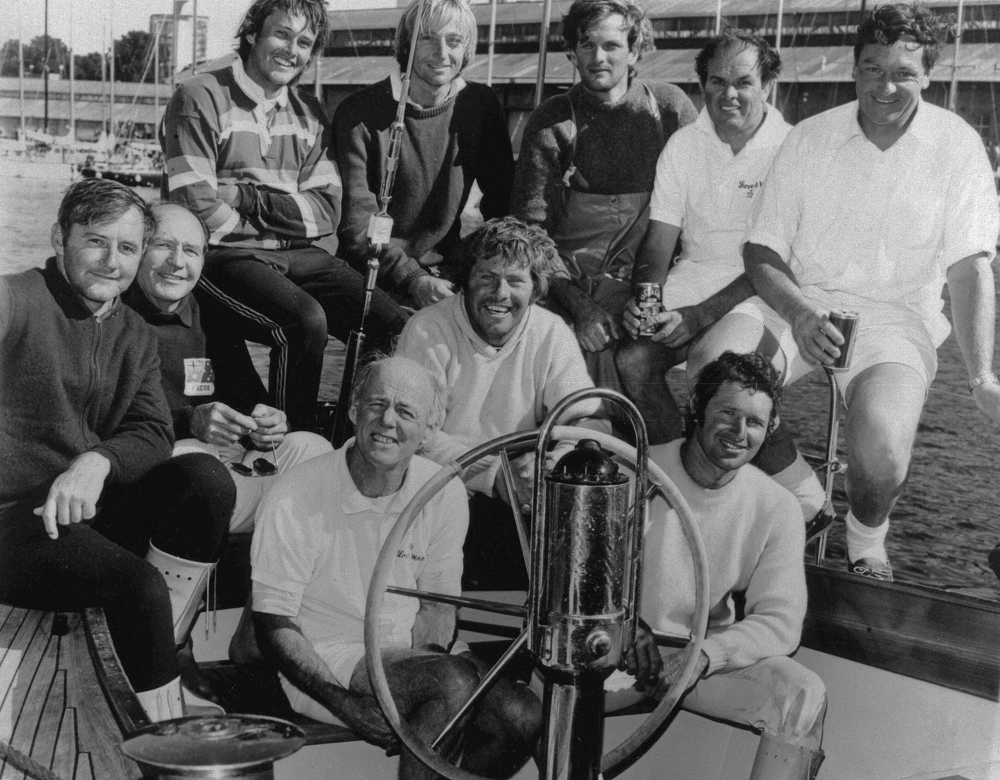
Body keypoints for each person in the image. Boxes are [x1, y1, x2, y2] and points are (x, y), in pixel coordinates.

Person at [686, 2, 1000, 580]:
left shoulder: (956, 146)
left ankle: (865, 540)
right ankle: (806, 502)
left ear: (927, 74)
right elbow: (762, 252)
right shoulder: (810, 138)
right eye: (872, 69)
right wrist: (802, 314)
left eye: (903, 72)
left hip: (896, 321)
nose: (885, 86)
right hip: (799, 301)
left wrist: (982, 376)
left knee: (880, 452)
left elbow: (969, 268)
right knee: (713, 368)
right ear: (854, 70)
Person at [0, 179, 235, 722]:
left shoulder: (132, 329)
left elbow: (153, 430)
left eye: (127, 248)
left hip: (83, 512)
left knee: (205, 479)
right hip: (14, 527)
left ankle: (162, 654)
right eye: (96, 242)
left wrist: (96, 461)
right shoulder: (16, 300)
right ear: (60, 238)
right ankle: (162, 732)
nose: (112, 262)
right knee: (139, 585)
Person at [249, 356, 541, 780]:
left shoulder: (443, 492)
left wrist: (424, 674)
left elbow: (438, 608)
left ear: (428, 433)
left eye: (406, 412)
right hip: (325, 663)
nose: (387, 421)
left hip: (414, 657)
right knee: (451, 683)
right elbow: (273, 623)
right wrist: (347, 705)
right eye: (376, 404)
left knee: (522, 714)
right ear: (353, 409)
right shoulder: (295, 492)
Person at [161, 0, 408, 432]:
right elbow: (197, 211)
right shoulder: (199, 96)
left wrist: (244, 198)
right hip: (221, 258)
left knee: (392, 325)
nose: (292, 50)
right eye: (281, 34)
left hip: (295, 254)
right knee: (304, 321)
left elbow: (326, 215)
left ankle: (352, 437)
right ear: (254, 32)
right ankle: (287, 442)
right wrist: (283, 221)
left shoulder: (310, 113)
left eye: (305, 42)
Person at [613, 30, 827, 525]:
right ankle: (683, 489)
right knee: (634, 358)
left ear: (768, 86)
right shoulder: (684, 145)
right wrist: (647, 298)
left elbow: (776, 259)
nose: (728, 94)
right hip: (693, 281)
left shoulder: (795, 148)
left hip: (771, 290)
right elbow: (659, 242)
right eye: (716, 81)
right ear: (702, 85)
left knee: (717, 368)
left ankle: (806, 498)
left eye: (743, 82)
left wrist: (701, 315)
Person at [607, 352, 827, 780]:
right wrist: (623, 628)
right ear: (696, 409)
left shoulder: (777, 507)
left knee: (801, 693)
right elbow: (580, 580)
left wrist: (705, 655)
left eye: (756, 422)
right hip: (613, 654)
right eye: (728, 413)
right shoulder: (632, 473)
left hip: (696, 662)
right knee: (537, 705)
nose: (739, 433)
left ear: (770, 428)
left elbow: (782, 621)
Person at [396, 217, 609, 588]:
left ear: (536, 288)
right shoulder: (428, 329)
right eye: (486, 277)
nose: (500, 293)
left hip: (524, 492)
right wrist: (496, 477)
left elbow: (590, 419)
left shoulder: (551, 331)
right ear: (465, 280)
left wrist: (559, 458)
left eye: (516, 281)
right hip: (442, 491)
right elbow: (414, 435)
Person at [511, 0, 697, 391]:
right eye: (586, 45)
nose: (598, 57)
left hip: (649, 284)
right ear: (572, 52)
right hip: (562, 283)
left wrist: (653, 294)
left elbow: (698, 217)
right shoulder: (552, 120)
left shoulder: (669, 110)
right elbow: (531, 235)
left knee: (634, 355)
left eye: (611, 46)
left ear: (634, 51)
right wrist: (580, 308)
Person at [124, 202, 332, 536]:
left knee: (313, 449)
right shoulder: (117, 318)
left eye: (191, 251)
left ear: (203, 261)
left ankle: (278, 569)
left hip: (222, 470)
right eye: (163, 246)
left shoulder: (210, 317)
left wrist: (267, 423)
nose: (177, 262)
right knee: (204, 470)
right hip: (162, 473)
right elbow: (108, 418)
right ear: (138, 250)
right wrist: (189, 420)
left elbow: (244, 398)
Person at [334, 0, 515, 310]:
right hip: (376, 276)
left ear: (466, 48)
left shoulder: (479, 105)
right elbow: (357, 227)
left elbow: (504, 201)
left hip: (447, 274)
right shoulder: (358, 113)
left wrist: (477, 264)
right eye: (428, 37)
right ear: (407, 44)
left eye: (453, 40)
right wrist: (412, 278)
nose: (441, 53)